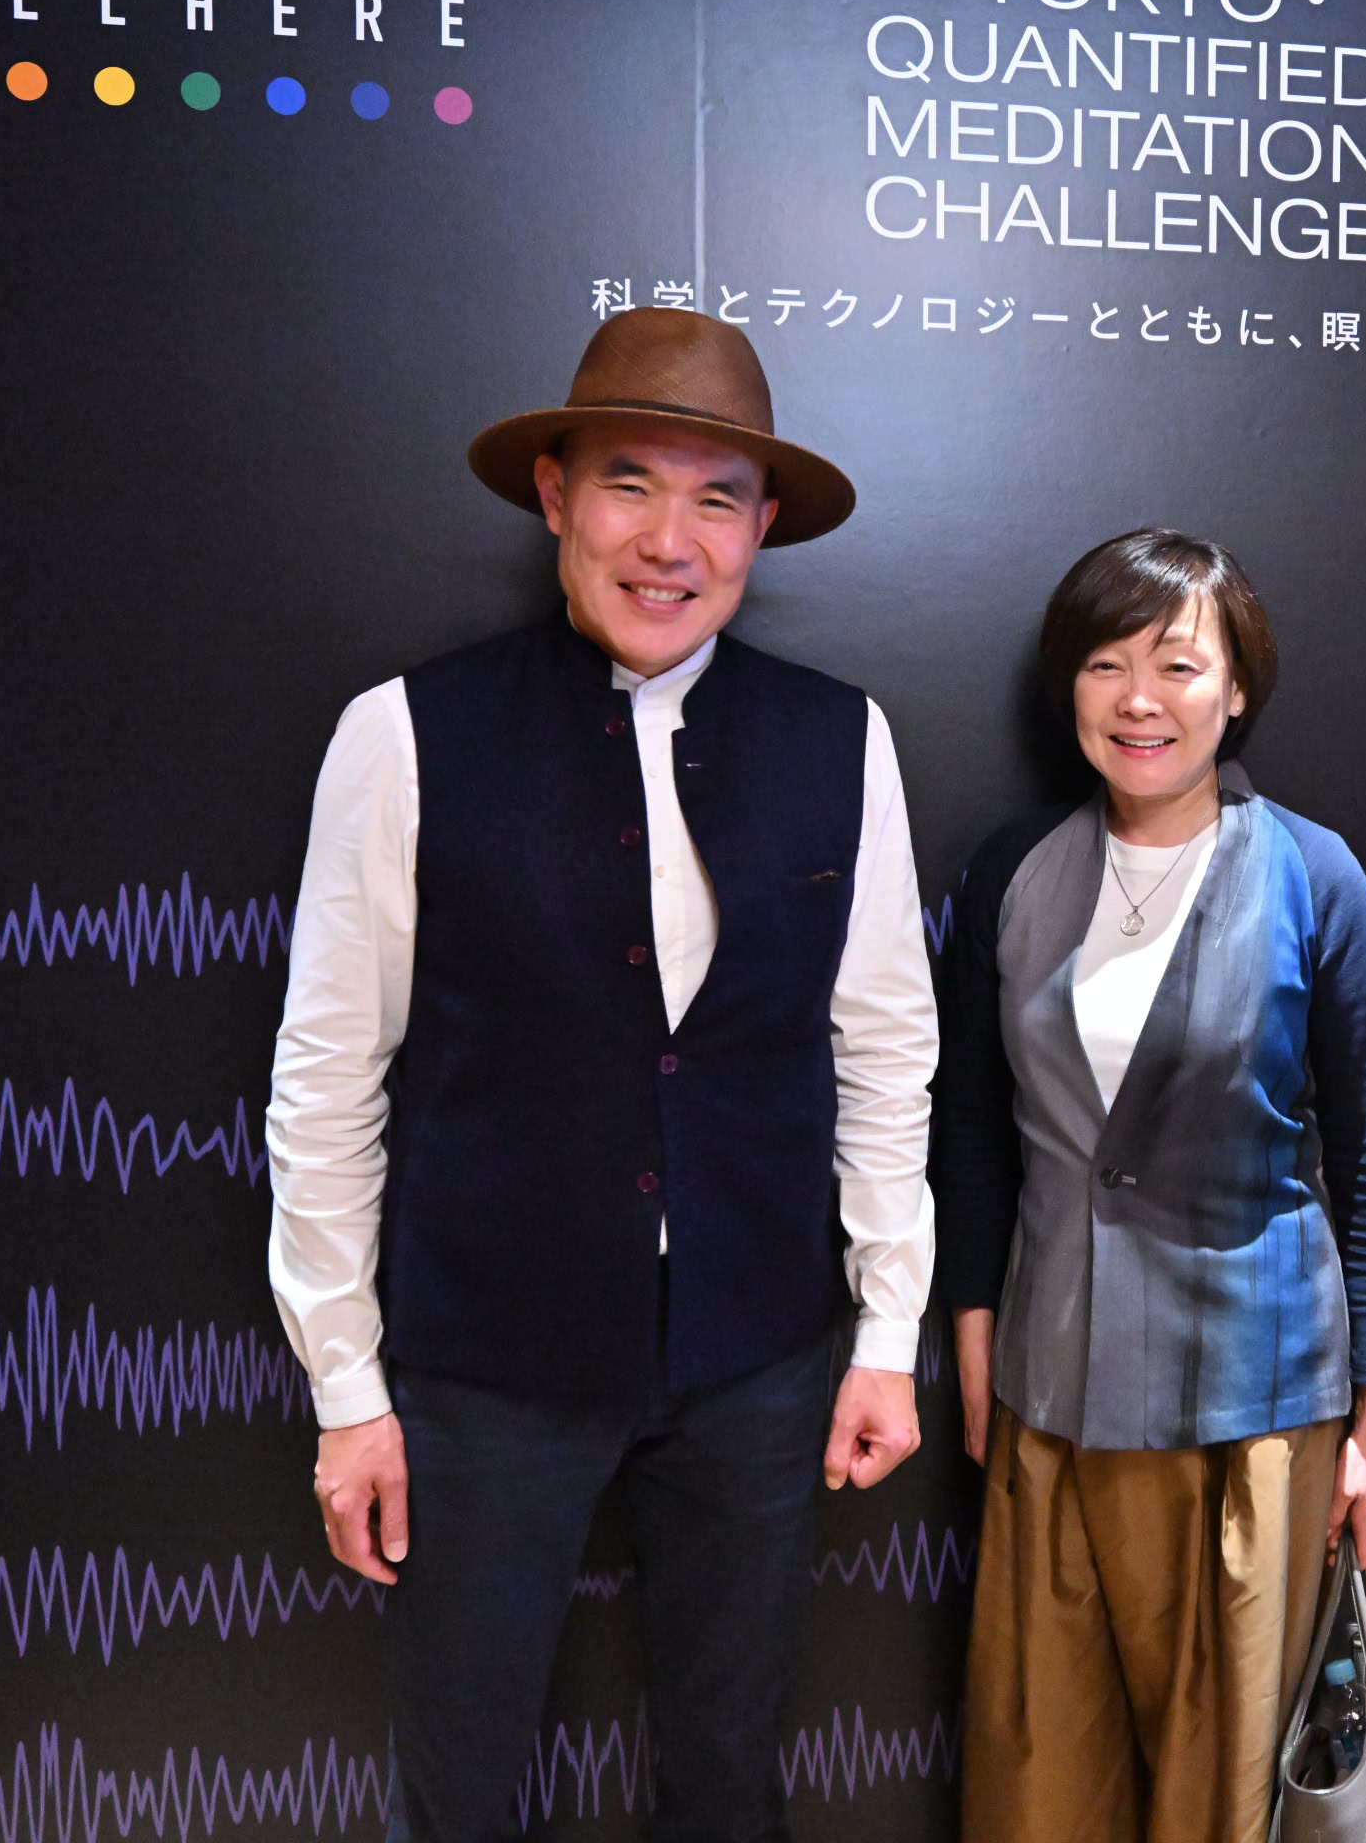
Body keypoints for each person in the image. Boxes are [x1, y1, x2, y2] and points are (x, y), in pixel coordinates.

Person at [265, 309, 939, 1843]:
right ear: (555, 494)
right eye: (630, 483)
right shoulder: (405, 733)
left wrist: (886, 1330)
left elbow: (885, 1043)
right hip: (487, 1364)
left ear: (762, 526)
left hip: (760, 1356)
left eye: (717, 499)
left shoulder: (841, 739)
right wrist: (348, 1389)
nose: (670, 541)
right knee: (460, 1782)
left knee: (731, 1774)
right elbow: (329, 1075)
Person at [933, 529, 1366, 1843]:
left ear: (1237, 687)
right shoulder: (1015, 870)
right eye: (1106, 664)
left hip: (1258, 1410)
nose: (1139, 699)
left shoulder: (1314, 872)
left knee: (1233, 1793)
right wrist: (974, 1332)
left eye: (1178, 664)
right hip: (1052, 1391)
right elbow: (971, 1128)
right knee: (1048, 1778)